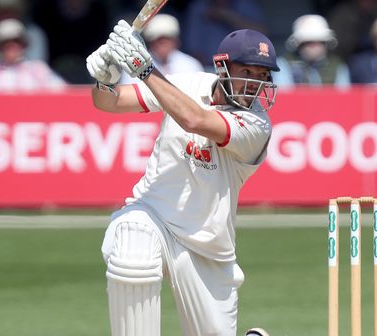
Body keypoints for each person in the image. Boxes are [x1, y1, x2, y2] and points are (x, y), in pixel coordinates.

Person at [86, 21, 279, 336]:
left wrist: (145, 70)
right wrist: (104, 81)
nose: (255, 85)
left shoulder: (257, 125)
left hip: (207, 246)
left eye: (262, 77)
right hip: (153, 215)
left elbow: (194, 119)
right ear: (223, 66)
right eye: (248, 72)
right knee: (132, 244)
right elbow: (110, 103)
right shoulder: (188, 83)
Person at [182, 0, 267, 67]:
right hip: (208, 69)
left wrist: (227, 16)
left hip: (244, 69)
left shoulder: (245, 3)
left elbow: (261, 36)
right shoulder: (197, 8)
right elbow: (193, 49)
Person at [119, 13, 202, 83]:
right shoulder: (136, 65)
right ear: (150, 42)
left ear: (176, 40)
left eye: (167, 38)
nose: (162, 44)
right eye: (158, 39)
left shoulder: (191, 65)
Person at [273, 14, 350, 87]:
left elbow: (344, 96)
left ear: (326, 43)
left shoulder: (337, 66)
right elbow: (281, 97)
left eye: (319, 41)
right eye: (307, 42)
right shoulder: (284, 64)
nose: (313, 45)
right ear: (298, 44)